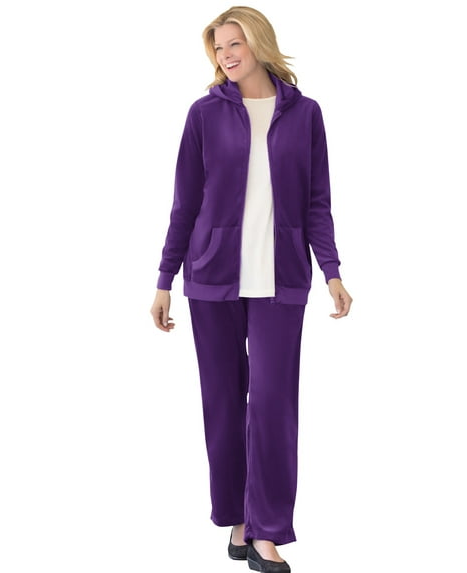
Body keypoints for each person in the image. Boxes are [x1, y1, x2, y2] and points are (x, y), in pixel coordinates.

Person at [150, 6, 352, 572]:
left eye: (234, 43)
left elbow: (317, 202)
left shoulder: (305, 114)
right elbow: (185, 203)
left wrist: (332, 270)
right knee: (222, 402)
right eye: (218, 48)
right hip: (211, 278)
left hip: (281, 280)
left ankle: (267, 530)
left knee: (272, 404)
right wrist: (164, 278)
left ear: (259, 42)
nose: (226, 55)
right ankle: (238, 519)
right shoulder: (204, 114)